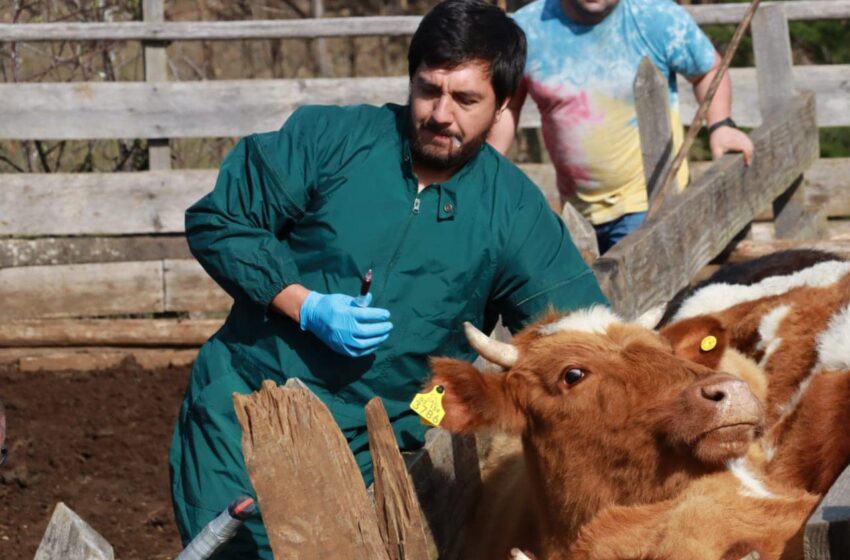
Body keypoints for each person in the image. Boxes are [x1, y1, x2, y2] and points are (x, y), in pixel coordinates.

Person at [168, 0, 608, 556]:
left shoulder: (512, 210)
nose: (440, 114)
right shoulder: (330, 139)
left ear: (502, 106)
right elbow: (220, 219)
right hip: (250, 406)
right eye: (429, 90)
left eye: (466, 99)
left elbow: (581, 331)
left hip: (383, 440)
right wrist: (302, 303)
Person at [488, 0, 755, 253]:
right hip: (575, 213)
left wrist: (721, 124)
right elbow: (509, 105)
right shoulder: (528, 30)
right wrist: (486, 164)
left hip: (649, 202)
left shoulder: (655, 17)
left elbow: (707, 69)